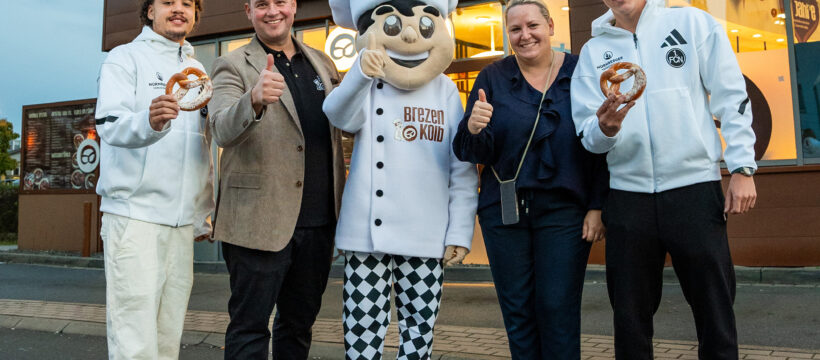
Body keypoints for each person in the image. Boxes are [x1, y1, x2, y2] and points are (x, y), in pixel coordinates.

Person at [570, 0, 758, 358]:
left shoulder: (691, 23)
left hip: (694, 189)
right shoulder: (594, 51)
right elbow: (587, 134)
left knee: (715, 310)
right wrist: (605, 129)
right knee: (629, 319)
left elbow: (731, 95)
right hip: (627, 197)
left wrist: (742, 167)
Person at [452, 1, 609, 358]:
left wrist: (598, 205)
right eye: (515, 30)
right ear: (508, 35)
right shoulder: (492, 77)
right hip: (504, 213)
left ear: (551, 26)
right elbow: (472, 150)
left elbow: (599, 142)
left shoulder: (580, 71)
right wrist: (475, 128)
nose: (525, 36)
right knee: (518, 312)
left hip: (565, 212)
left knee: (557, 308)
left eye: (533, 26)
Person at [323, 0, 478, 358]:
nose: (409, 34)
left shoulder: (445, 90)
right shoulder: (366, 82)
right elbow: (338, 116)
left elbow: (461, 165)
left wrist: (459, 231)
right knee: (361, 334)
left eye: (424, 26)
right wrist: (361, 73)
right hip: (366, 236)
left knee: (419, 335)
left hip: (427, 233)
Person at [207, 0, 346, 358]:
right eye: (262, 4)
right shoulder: (231, 64)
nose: (272, 11)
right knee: (250, 329)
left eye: (280, 2)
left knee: (298, 328)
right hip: (257, 222)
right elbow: (221, 128)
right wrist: (252, 99)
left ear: (294, 7)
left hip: (318, 222)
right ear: (248, 12)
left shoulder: (323, 63)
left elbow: (341, 128)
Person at [94, 0, 214, 359]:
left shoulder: (196, 69)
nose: (178, 9)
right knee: (134, 339)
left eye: (187, 4)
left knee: (166, 338)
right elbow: (109, 125)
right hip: (134, 217)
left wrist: (200, 213)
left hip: (180, 225)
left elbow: (200, 146)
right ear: (149, 11)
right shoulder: (124, 58)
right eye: (167, 2)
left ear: (194, 14)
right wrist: (149, 121)